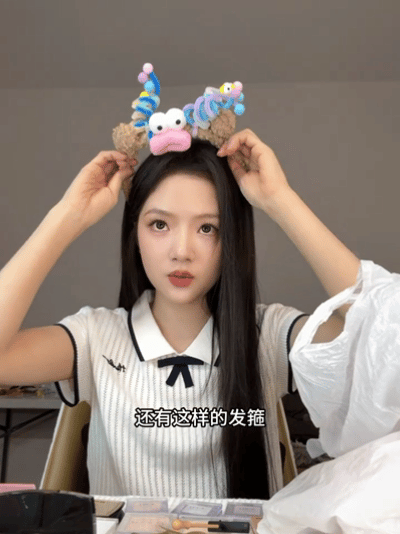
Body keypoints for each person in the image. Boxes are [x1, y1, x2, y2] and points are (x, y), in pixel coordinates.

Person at [0, 128, 360, 500]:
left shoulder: (267, 334)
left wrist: (280, 200)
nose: (182, 251)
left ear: (232, 237)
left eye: (207, 228)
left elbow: (377, 335)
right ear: (135, 232)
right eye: (159, 225)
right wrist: (68, 216)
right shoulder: (96, 337)